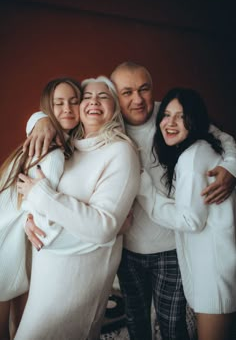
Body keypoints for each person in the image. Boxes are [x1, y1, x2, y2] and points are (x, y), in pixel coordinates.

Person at [22, 62, 236, 340]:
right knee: (137, 324)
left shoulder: (168, 114)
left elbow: (222, 137)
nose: (137, 99)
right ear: (117, 98)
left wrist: (232, 167)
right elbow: (62, 109)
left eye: (144, 89)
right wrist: (40, 119)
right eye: (127, 92)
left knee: (173, 327)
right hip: (129, 249)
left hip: (168, 246)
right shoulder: (100, 126)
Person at [15, 76, 140, 340]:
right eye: (87, 96)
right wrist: (31, 218)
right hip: (47, 271)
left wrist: (42, 198)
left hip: (80, 277)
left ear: (115, 107)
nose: (93, 101)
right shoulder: (68, 144)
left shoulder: (120, 151)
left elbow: (103, 227)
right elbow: (39, 199)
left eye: (103, 96)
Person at [137, 87, 236, 340]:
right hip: (215, 267)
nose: (170, 123)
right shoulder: (201, 150)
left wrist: (145, 189)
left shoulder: (192, 158)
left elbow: (189, 219)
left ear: (195, 121)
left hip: (213, 273)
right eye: (167, 115)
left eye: (181, 117)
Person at [0, 77, 81, 340]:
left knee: (17, 317)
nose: (67, 108)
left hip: (15, 233)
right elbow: (44, 202)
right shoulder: (53, 149)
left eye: (73, 101)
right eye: (59, 104)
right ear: (48, 109)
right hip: (8, 233)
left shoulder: (54, 140)